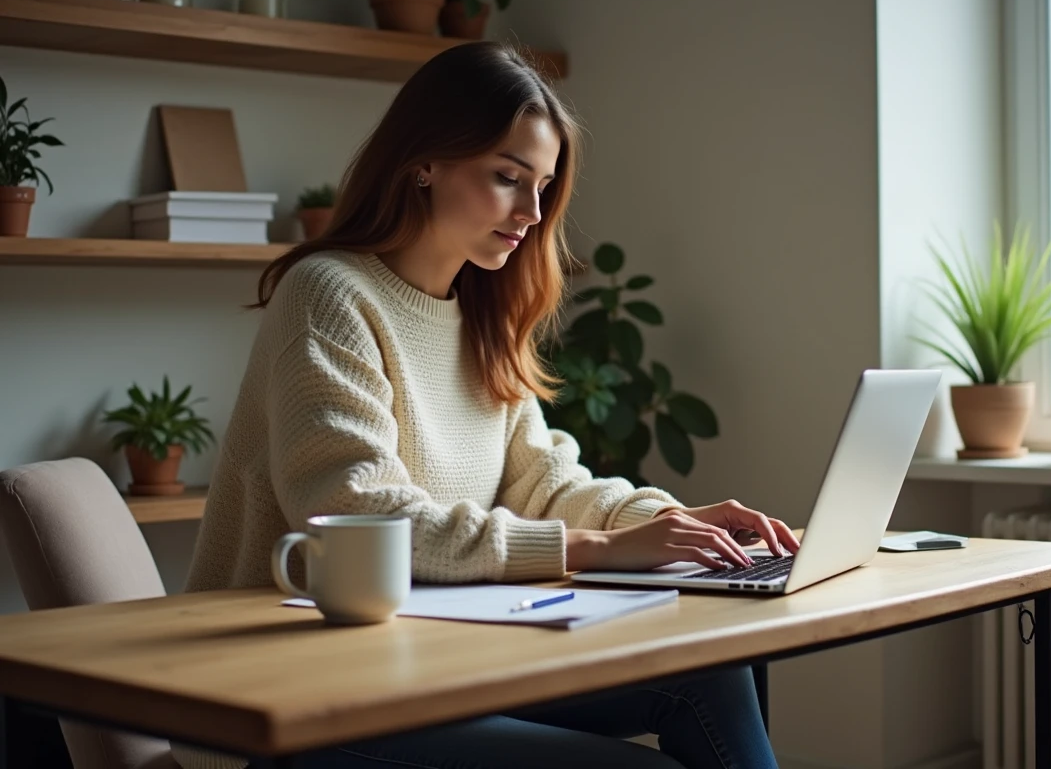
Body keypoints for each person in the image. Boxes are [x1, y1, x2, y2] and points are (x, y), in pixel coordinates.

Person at [173, 41, 799, 769]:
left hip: (432, 667)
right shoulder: (328, 295)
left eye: (543, 185)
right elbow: (360, 512)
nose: (532, 212)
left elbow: (543, 483)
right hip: (294, 700)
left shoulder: (480, 317)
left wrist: (670, 524)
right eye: (508, 178)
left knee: (715, 674)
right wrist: (597, 549)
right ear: (425, 162)